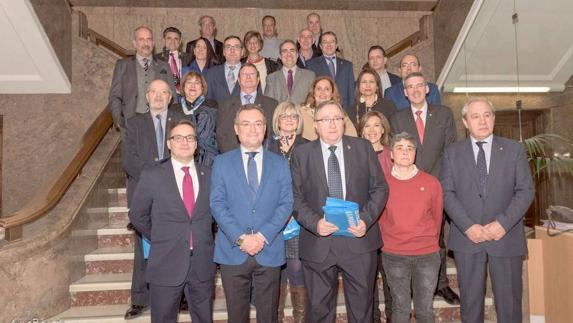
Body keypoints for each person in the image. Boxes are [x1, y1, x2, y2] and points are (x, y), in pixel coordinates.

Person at [291, 100, 388, 323]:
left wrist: (365, 220)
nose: (332, 124)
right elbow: (295, 198)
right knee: (319, 312)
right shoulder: (302, 154)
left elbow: (380, 188)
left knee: (363, 311)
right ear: (315, 125)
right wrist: (315, 223)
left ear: (344, 122)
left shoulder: (363, 148)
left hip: (359, 240)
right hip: (318, 244)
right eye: (325, 119)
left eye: (337, 118)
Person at [440, 97, 534, 323]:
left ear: (493, 118)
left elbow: (525, 191)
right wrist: (468, 226)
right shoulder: (452, 153)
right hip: (468, 239)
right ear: (465, 122)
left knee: (509, 306)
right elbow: (446, 193)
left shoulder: (514, 150)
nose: (482, 121)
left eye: (487, 115)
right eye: (475, 116)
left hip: (506, 236)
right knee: (471, 308)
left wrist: (502, 223)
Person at [210, 104, 294, 323]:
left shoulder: (280, 163)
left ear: (265, 129)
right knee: (236, 317)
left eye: (258, 124)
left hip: (269, 248)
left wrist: (262, 236)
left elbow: (286, 203)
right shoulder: (221, 163)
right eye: (246, 124)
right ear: (236, 129)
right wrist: (241, 238)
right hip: (232, 251)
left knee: (268, 316)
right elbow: (217, 204)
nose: (253, 129)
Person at [128, 119, 216, 323]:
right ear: (169, 143)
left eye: (190, 138)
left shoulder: (209, 174)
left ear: (196, 144)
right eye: (178, 138)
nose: (184, 142)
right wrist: (160, 237)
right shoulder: (152, 175)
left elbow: (215, 214)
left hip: (202, 263)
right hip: (166, 261)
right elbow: (138, 215)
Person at [390, 72, 459, 305]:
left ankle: (441, 284)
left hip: (437, 185)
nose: (416, 90)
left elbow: (450, 151)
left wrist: (436, 183)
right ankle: (412, 285)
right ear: (405, 92)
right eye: (411, 87)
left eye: (420, 85)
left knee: (436, 236)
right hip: (407, 187)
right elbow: (400, 152)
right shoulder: (397, 118)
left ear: (428, 89)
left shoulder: (444, 114)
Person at [122, 79, 184, 319]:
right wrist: (155, 179)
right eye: (154, 92)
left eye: (164, 93)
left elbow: (187, 152)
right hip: (144, 192)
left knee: (179, 243)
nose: (158, 97)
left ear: (170, 97)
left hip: (177, 190)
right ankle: (140, 298)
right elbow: (129, 160)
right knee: (143, 245)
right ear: (146, 96)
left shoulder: (179, 122)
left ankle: (181, 297)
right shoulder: (134, 123)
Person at [380, 132, 444, 323]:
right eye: (399, 148)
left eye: (410, 148)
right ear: (391, 154)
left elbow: (437, 217)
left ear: (415, 153)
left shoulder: (431, 183)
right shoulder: (382, 184)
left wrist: (428, 243)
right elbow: (381, 218)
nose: (405, 152)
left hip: (426, 255)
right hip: (394, 255)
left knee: (425, 310)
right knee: (400, 309)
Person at [264, 102, 309, 323]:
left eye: (293, 116)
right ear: (277, 120)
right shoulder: (266, 147)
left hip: (299, 219)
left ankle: (301, 318)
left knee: (297, 266)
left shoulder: (308, 146)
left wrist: (294, 210)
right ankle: (277, 317)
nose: (289, 119)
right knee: (275, 269)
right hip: (272, 219)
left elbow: (311, 184)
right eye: (284, 116)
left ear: (299, 120)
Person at [358, 111, 393, 322]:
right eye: (367, 126)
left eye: (376, 125)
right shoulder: (354, 154)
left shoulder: (392, 155)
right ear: (361, 130)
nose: (372, 130)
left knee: (391, 283)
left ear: (383, 129)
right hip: (365, 227)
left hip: (390, 228)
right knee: (367, 284)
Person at [109, 26, 175, 130]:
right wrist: (118, 120)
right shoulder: (122, 65)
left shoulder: (164, 66)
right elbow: (115, 96)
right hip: (130, 124)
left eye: (149, 39)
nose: (146, 43)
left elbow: (173, 96)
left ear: (153, 44)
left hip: (159, 123)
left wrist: (170, 122)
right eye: (141, 39)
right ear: (134, 44)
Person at [216, 63, 277, 153]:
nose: (248, 77)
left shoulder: (272, 104)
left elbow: (273, 135)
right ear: (239, 80)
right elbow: (221, 135)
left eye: (252, 74)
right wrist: (235, 156)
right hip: (233, 158)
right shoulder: (225, 105)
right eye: (244, 74)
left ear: (258, 80)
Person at [171, 71, 218, 166]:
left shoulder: (212, 107)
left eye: (197, 83)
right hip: (179, 156)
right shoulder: (173, 109)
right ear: (183, 86)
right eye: (189, 82)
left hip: (207, 159)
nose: (193, 86)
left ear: (202, 87)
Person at [307, 31, 355, 110]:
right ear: (321, 46)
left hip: (343, 110)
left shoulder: (347, 66)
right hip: (321, 109)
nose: (329, 45)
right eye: (325, 42)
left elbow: (351, 93)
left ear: (336, 45)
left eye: (332, 42)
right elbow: (310, 91)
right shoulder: (312, 64)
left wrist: (351, 112)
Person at [300, 76, 357, 141]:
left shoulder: (341, 115)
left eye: (327, 89)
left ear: (332, 94)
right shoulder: (302, 112)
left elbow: (353, 138)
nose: (322, 92)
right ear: (313, 93)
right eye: (319, 89)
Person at [265, 40, 316, 105]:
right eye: (284, 51)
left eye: (292, 51)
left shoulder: (310, 76)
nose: (289, 54)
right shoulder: (271, 78)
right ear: (280, 56)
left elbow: (313, 101)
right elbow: (268, 103)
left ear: (297, 55)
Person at [204, 36, 243, 104]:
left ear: (242, 52)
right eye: (228, 47)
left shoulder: (251, 72)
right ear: (224, 52)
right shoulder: (211, 73)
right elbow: (208, 103)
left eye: (236, 47)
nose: (232, 50)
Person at [154, 27, 193, 95]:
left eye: (176, 38)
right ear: (164, 40)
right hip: (164, 96)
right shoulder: (156, 59)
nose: (172, 41)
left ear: (180, 41)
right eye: (169, 38)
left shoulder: (189, 58)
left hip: (184, 96)